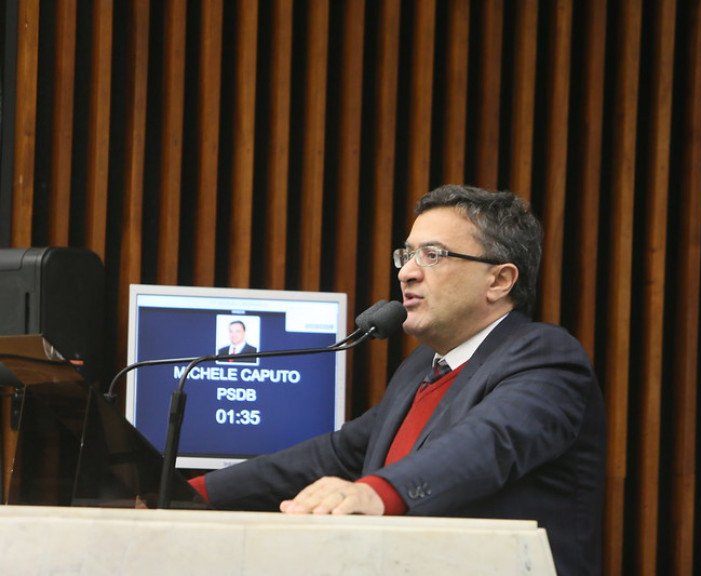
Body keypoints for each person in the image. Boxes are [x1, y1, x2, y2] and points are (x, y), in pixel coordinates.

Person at [190, 185, 606, 576]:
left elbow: (489, 442)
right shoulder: (421, 367)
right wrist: (190, 493)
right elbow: (337, 454)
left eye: (432, 255)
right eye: (406, 255)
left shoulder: (545, 355)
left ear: (499, 280)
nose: (407, 272)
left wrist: (378, 492)